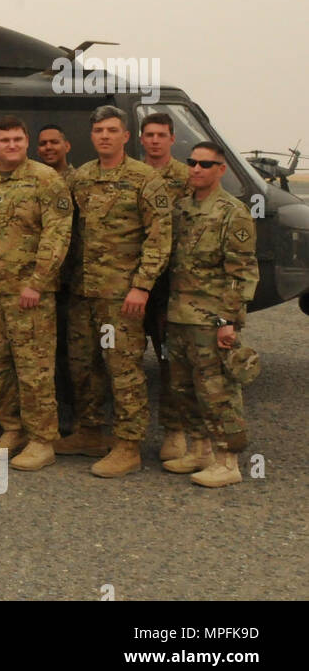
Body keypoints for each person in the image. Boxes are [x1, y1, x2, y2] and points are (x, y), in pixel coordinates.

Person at [56, 105, 172, 477]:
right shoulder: (81, 178)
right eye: (98, 131)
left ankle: (128, 445)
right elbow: (66, 232)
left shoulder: (145, 179)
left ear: (126, 136)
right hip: (82, 293)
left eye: (112, 130)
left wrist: (141, 286)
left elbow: (159, 238)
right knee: (82, 366)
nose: (104, 136)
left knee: (122, 369)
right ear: (91, 137)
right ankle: (90, 433)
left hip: (120, 297)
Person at [0, 115, 72, 471]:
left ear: (26, 142)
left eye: (18, 139)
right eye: (5, 140)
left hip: (30, 294)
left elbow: (57, 234)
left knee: (35, 368)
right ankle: (13, 429)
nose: (12, 145)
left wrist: (38, 282)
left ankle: (43, 439)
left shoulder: (46, 180)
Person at [162, 143, 259, 487]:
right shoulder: (182, 208)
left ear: (221, 170)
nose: (197, 168)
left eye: (206, 164)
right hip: (180, 316)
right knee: (184, 388)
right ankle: (199, 450)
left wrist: (228, 321)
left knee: (218, 391)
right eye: (192, 162)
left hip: (211, 319)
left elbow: (242, 272)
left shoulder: (233, 212)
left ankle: (227, 461)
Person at [139, 111, 192, 461]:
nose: (155, 140)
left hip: (169, 285)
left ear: (173, 139)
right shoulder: (130, 175)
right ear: (141, 138)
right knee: (120, 358)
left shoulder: (188, 178)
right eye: (149, 134)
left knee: (170, 360)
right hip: (131, 281)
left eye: (162, 135)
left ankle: (175, 431)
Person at [37, 122, 77, 430]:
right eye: (43, 144)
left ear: (67, 146)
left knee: (71, 354)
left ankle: (71, 414)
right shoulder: (36, 181)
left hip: (73, 281)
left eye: (54, 142)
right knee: (44, 352)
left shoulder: (80, 181)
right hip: (43, 281)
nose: (48, 148)